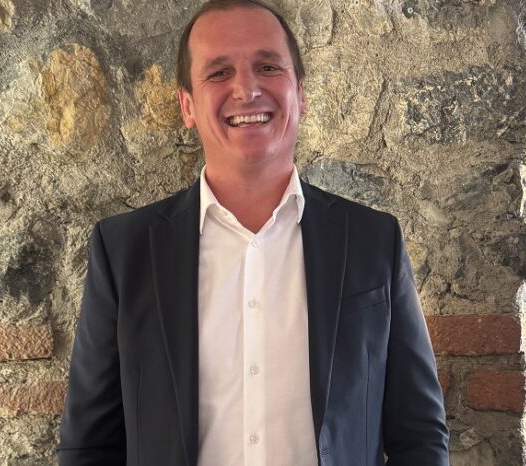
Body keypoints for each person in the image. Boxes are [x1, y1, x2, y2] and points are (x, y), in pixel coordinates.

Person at [57, 0, 449, 464]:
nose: (247, 89)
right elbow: (90, 445)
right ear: (187, 105)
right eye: (219, 72)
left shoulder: (372, 241)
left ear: (300, 94)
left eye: (267, 66)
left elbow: (418, 435)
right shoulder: (125, 252)